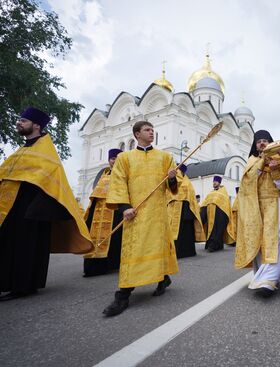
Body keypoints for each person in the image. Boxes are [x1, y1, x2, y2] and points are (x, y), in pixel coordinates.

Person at [0, 107, 92, 301]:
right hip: (12, 207)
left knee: (26, 246)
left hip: (32, 209)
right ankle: (9, 282)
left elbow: (50, 180)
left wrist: (35, 209)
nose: (19, 123)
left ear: (36, 125)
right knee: (9, 244)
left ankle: (23, 286)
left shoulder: (45, 151)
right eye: (19, 120)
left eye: (23, 121)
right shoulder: (23, 150)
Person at [102, 120, 179, 316]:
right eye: (147, 130)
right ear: (137, 134)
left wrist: (171, 178)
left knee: (157, 246)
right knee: (133, 250)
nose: (152, 133)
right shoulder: (125, 158)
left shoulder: (165, 157)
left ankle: (162, 278)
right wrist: (125, 207)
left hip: (157, 214)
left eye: (153, 130)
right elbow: (118, 183)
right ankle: (123, 294)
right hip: (134, 213)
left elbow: (172, 188)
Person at [234, 130, 280, 298]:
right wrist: (264, 162)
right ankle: (261, 275)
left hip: (274, 203)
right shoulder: (252, 161)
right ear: (255, 145)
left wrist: (275, 169)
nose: (262, 143)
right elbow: (249, 182)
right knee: (258, 240)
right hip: (254, 205)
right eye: (259, 141)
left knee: (274, 239)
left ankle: (269, 280)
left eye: (265, 141)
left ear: (271, 143)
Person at [82, 148, 124, 276]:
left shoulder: (124, 174)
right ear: (109, 160)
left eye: (117, 159)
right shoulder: (104, 174)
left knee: (114, 239)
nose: (114, 161)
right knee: (95, 238)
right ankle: (93, 266)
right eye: (112, 159)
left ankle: (110, 264)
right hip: (98, 212)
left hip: (114, 211)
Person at [168, 164, 205, 258]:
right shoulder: (173, 180)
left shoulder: (187, 182)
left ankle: (187, 251)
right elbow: (169, 193)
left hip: (187, 210)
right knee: (176, 231)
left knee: (186, 231)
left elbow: (191, 196)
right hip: (174, 209)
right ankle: (175, 252)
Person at [200, 176, 234, 252]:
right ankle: (214, 245)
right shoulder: (211, 193)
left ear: (219, 183)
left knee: (217, 230)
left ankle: (213, 246)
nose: (214, 183)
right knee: (210, 229)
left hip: (219, 215)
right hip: (210, 214)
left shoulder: (223, 192)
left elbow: (225, 204)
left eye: (216, 182)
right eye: (213, 182)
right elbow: (205, 203)